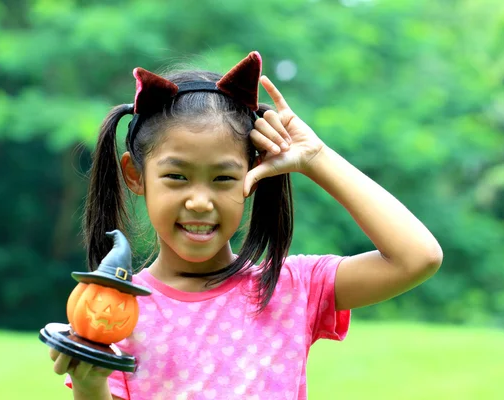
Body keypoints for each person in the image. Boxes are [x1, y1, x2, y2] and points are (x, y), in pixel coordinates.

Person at [48, 51, 443, 400]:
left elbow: (417, 257)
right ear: (135, 175)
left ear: (254, 174)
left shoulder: (290, 289)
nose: (200, 201)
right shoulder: (117, 314)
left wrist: (315, 157)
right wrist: (89, 386)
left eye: (223, 178)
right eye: (177, 177)